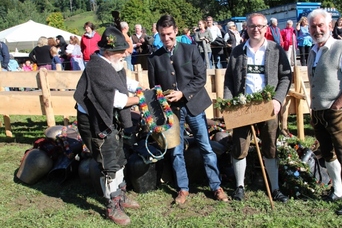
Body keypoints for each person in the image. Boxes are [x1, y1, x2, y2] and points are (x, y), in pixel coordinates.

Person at [147, 15, 229, 205]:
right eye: (162, 35)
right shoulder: (153, 58)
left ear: (176, 31)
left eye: (169, 34)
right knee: (176, 151)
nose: (166, 38)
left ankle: (216, 186)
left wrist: (182, 93)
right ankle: (183, 188)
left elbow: (200, 78)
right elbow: (155, 87)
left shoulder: (191, 50)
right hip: (171, 112)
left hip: (194, 106)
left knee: (206, 147)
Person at [74, 26, 141, 226]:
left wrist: (138, 87)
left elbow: (123, 81)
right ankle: (112, 206)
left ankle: (120, 195)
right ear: (109, 52)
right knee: (109, 163)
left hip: (108, 117)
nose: (125, 56)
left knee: (119, 157)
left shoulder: (112, 64)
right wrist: (140, 98)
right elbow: (117, 100)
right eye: (122, 53)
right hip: (95, 121)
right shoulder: (96, 68)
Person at [223, 13, 292, 202]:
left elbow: (286, 76)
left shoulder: (276, 50)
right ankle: (239, 187)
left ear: (266, 28)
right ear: (246, 28)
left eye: (260, 26)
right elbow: (229, 79)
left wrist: (278, 99)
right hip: (242, 106)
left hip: (268, 106)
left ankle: (275, 188)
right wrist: (229, 102)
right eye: (252, 26)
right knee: (240, 145)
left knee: (270, 146)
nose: (256, 30)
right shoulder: (237, 51)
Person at [307, 9, 342, 216]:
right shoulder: (313, 51)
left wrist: (338, 105)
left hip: (337, 111)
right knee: (327, 153)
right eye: (313, 26)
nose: (317, 29)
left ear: (330, 26)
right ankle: (337, 190)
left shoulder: (341, 47)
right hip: (318, 111)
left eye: (321, 25)